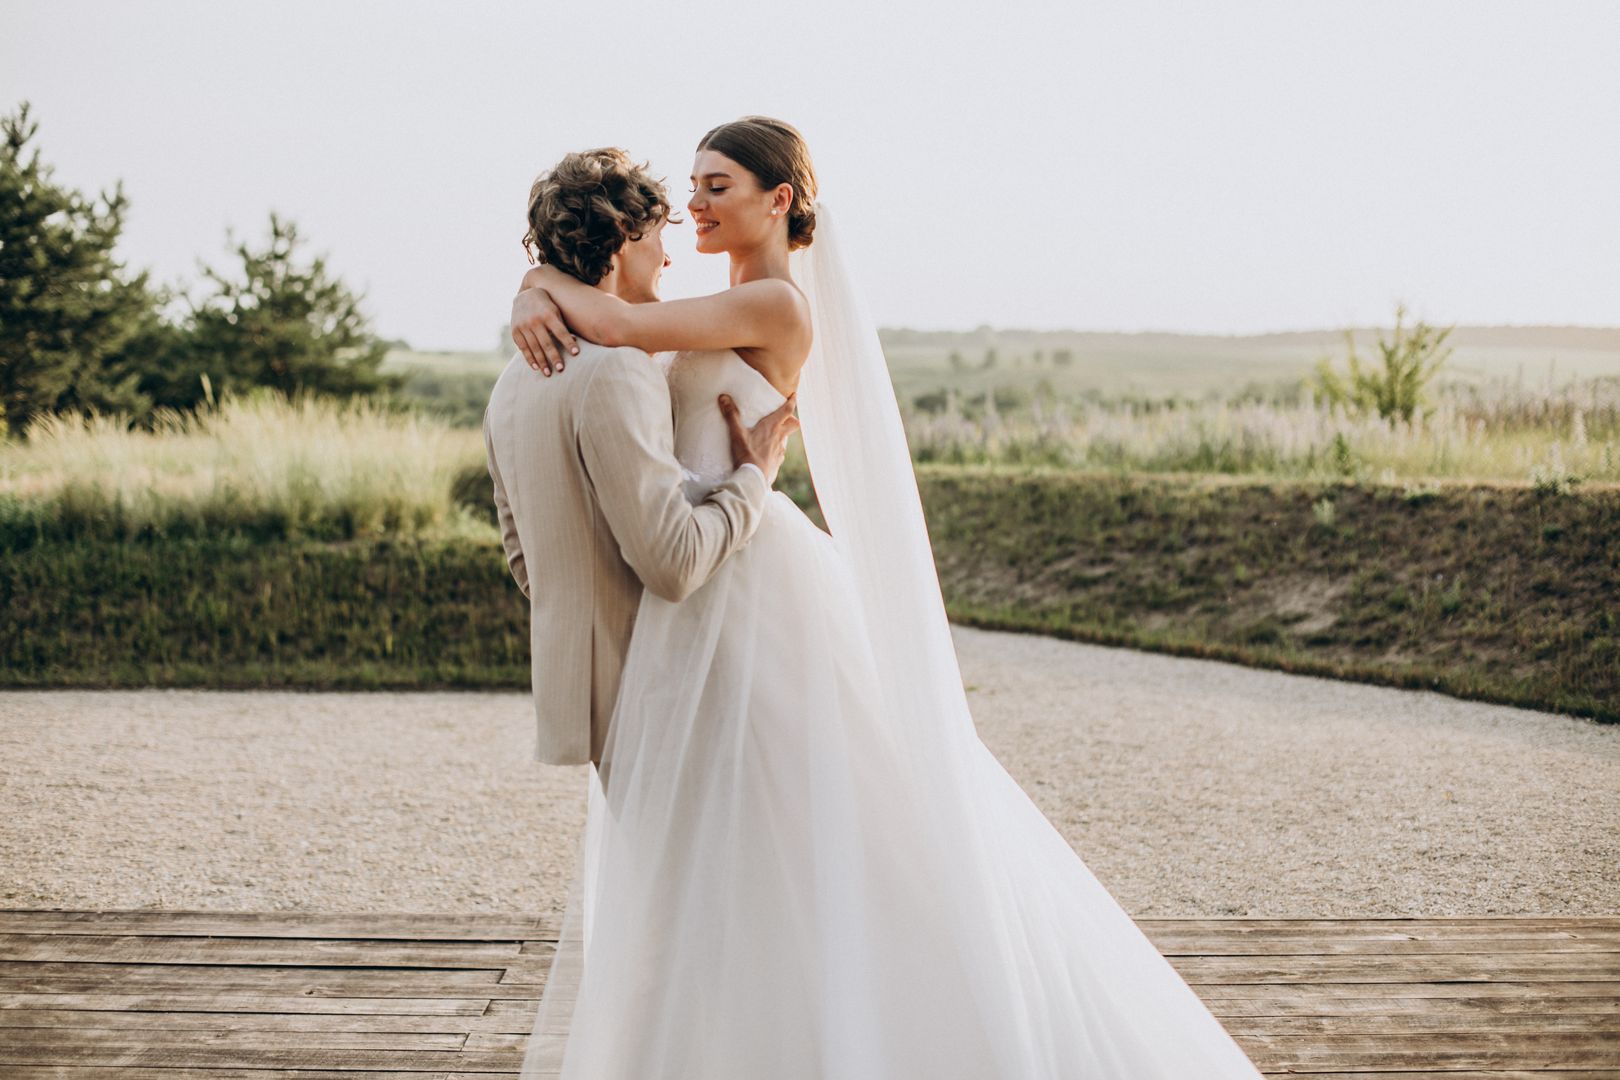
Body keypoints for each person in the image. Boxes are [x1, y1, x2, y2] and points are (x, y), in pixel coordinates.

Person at [505, 117, 1266, 1079]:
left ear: (779, 201)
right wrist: (535, 285)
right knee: (748, 847)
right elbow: (618, 311)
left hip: (750, 582)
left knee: (829, 824)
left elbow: (614, 322)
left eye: (717, 186)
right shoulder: (716, 299)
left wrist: (534, 284)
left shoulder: (777, 306)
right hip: (697, 585)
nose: (694, 204)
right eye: (691, 187)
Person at [482, 145, 799, 772]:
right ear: (625, 239)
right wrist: (753, 478)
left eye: (716, 186)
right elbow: (675, 565)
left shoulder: (511, 384)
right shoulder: (620, 372)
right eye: (658, 235)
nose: (670, 251)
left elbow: (527, 559)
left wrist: (536, 281)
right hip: (676, 663)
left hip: (596, 684)